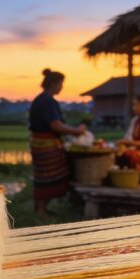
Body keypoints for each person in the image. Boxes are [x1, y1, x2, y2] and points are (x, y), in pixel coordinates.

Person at [28, 68, 86, 216]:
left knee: (43, 176)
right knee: (48, 177)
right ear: (54, 84)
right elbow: (56, 125)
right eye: (61, 83)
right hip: (46, 144)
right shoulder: (48, 101)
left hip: (39, 143)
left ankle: (40, 209)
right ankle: (41, 210)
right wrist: (76, 130)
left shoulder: (41, 99)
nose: (62, 87)